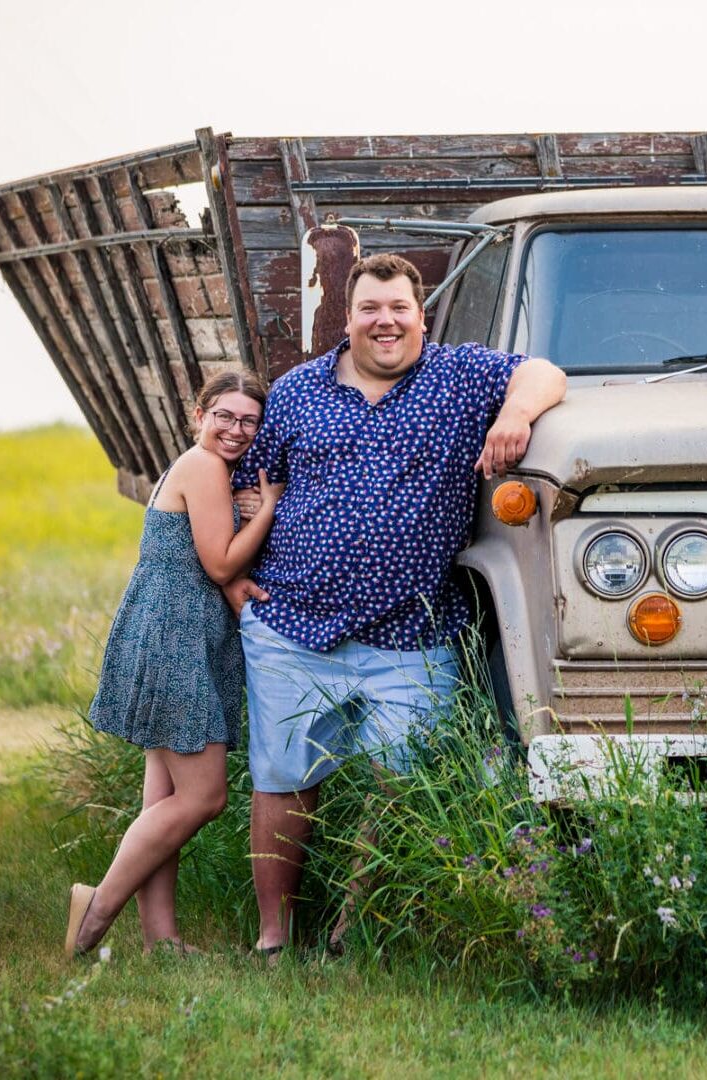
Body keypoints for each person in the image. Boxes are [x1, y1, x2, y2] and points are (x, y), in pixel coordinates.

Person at [224, 252, 566, 957]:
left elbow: (545, 372)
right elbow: (245, 485)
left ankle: (358, 929)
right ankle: (273, 938)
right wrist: (233, 579)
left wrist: (514, 414)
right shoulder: (296, 393)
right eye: (370, 310)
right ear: (346, 320)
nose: (386, 322)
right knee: (284, 779)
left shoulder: (459, 377)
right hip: (293, 623)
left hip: (414, 632)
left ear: (421, 316)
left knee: (401, 787)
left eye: (399, 309)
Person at [65, 370, 284, 958]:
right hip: (175, 639)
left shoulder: (203, 466)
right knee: (203, 798)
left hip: (176, 632)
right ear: (199, 414)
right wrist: (268, 510)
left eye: (249, 421)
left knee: (162, 803)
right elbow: (219, 565)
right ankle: (97, 904)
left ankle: (162, 942)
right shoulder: (205, 467)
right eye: (225, 416)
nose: (236, 430)